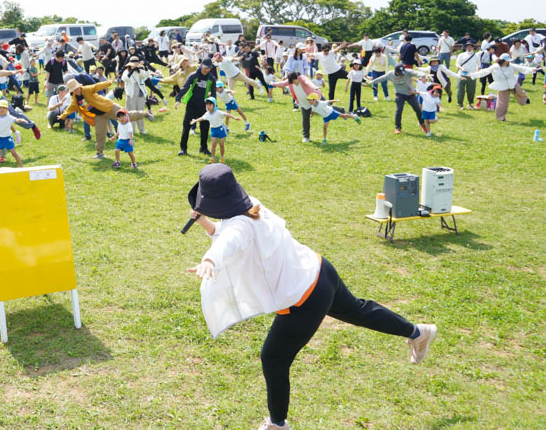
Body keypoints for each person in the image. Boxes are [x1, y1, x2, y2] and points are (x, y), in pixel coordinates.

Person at [184, 164, 437, 430]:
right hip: (319, 271)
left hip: (304, 300)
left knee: (273, 358)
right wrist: (204, 222)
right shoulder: (252, 206)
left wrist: (209, 259)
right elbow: (227, 233)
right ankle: (417, 332)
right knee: (360, 311)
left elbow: (229, 241)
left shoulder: (239, 228)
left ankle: (277, 424)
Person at [58, 77, 154, 160]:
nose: (77, 90)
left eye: (77, 88)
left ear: (79, 86)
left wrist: (109, 82)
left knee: (127, 115)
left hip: (109, 107)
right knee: (99, 133)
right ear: (72, 91)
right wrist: (62, 116)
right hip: (99, 116)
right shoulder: (75, 99)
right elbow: (70, 108)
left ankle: (145, 114)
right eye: (74, 90)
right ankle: (100, 153)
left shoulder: (86, 89)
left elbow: (97, 86)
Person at [469, 54, 536, 122]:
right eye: (506, 61)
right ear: (502, 60)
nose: (507, 62)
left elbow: (521, 68)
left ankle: (524, 101)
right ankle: (500, 117)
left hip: (512, 83)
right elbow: (485, 71)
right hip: (502, 85)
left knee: (521, 93)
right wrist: (473, 75)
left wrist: (532, 69)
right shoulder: (495, 67)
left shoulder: (511, 66)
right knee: (502, 102)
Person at [370, 65, 429, 135]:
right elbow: (381, 78)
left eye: (403, 73)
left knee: (418, 110)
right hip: (400, 94)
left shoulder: (408, 72)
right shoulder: (390, 74)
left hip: (410, 94)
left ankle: (422, 124)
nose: (402, 75)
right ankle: (398, 127)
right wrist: (371, 82)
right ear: (396, 72)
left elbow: (416, 73)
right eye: (400, 73)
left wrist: (424, 75)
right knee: (399, 111)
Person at [177, 59, 218, 156]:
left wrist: (214, 107)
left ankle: (203, 148)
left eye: (208, 68)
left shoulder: (211, 78)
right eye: (204, 68)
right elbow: (185, 87)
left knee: (205, 128)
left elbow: (213, 94)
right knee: (186, 126)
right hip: (192, 105)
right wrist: (178, 98)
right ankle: (183, 149)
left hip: (204, 106)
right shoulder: (193, 75)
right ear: (201, 66)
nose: (205, 70)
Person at [271, 72, 318, 143]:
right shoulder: (291, 81)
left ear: (297, 77)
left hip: (315, 100)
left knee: (329, 110)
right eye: (292, 82)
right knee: (305, 120)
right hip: (304, 104)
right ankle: (306, 137)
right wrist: (273, 83)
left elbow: (308, 83)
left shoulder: (302, 78)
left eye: (294, 81)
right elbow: (282, 83)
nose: (294, 83)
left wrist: (314, 87)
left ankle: (341, 111)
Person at [190, 96, 240, 162]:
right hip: (213, 130)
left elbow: (227, 114)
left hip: (221, 129)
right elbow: (202, 118)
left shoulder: (218, 112)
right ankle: (212, 158)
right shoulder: (207, 114)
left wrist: (234, 117)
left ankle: (222, 157)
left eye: (210, 105)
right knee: (213, 145)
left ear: (214, 105)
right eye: (207, 104)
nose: (208, 106)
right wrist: (195, 121)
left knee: (221, 145)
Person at [454, 42, 481, 109]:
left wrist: (477, 73)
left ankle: (470, 103)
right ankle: (460, 104)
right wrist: (461, 68)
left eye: (471, 46)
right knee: (460, 90)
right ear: (465, 47)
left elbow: (479, 65)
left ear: (473, 47)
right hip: (461, 74)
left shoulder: (476, 56)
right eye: (468, 46)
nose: (469, 48)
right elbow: (457, 64)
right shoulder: (461, 55)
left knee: (471, 90)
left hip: (471, 75)